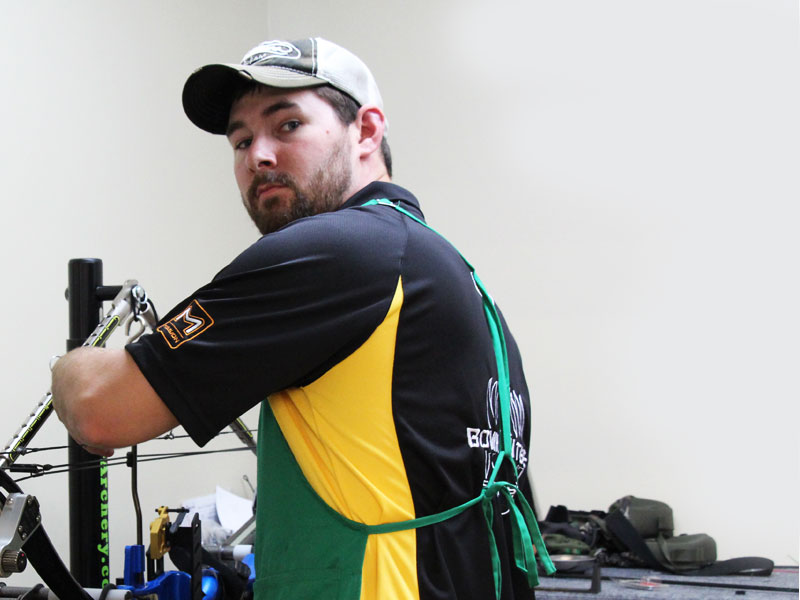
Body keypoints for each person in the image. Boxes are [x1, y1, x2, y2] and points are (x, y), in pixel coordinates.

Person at [52, 37, 552, 599]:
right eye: (241, 140)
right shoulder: (457, 278)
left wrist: (67, 366)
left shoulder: (341, 250)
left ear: (366, 130)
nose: (257, 156)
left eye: (287, 125)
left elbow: (99, 409)